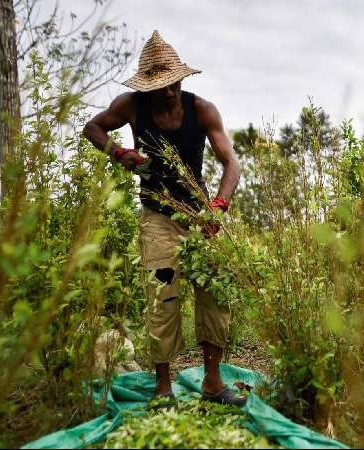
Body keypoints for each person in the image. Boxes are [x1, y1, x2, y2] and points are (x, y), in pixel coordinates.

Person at [82, 30, 244, 406]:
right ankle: (163, 388)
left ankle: (213, 383)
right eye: (159, 87)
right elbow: (93, 127)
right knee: (162, 298)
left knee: (215, 293)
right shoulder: (131, 106)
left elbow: (231, 162)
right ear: (146, 88)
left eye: (172, 84)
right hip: (157, 217)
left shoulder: (202, 110)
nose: (168, 92)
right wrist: (120, 153)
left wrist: (218, 206)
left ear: (181, 79)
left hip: (200, 216)